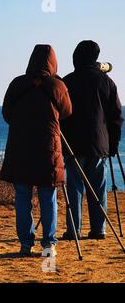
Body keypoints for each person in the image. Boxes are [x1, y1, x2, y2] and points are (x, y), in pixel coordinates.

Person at [1, 45, 72, 257]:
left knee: (22, 195)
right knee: (47, 196)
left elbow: (6, 113)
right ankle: (49, 244)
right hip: (48, 148)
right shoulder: (58, 85)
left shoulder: (17, 84)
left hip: (20, 146)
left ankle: (25, 243)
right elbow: (68, 112)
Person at [61, 40, 123, 240]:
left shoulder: (68, 81)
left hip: (73, 144)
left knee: (74, 187)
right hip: (99, 143)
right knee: (99, 187)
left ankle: (74, 230)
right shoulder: (107, 82)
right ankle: (99, 229)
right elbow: (116, 116)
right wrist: (113, 144)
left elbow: (60, 113)